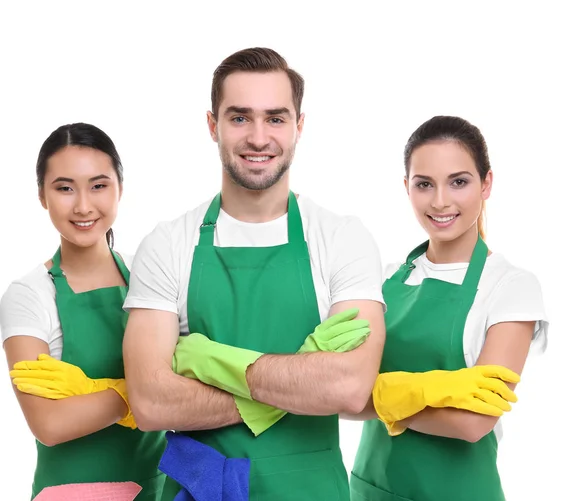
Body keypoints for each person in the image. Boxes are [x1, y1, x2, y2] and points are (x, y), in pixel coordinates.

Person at [122, 47, 387, 501]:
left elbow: (347, 387)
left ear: (299, 126)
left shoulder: (343, 238)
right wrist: (300, 382)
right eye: (240, 118)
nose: (259, 137)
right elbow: (150, 402)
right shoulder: (168, 244)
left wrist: (208, 362)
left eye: (276, 118)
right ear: (213, 125)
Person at [349, 115, 549, 501]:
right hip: (371, 491)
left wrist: (372, 394)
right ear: (407, 188)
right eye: (424, 184)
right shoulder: (383, 279)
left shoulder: (511, 287)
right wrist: (400, 395)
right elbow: (334, 394)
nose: (440, 201)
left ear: (486, 183)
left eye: (459, 181)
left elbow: (474, 421)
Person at [0, 123, 172, 500]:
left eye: (98, 185)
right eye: (64, 188)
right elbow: (48, 423)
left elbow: (189, 375)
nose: (82, 205)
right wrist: (142, 394)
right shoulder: (29, 295)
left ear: (120, 190)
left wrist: (96, 395)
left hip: (157, 490)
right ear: (43, 196)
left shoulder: (151, 276)